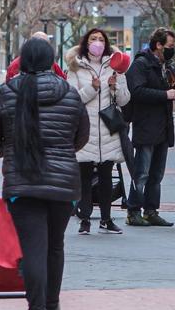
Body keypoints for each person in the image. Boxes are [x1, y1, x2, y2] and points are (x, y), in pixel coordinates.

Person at [0, 38, 89, 310]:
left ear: (23, 60)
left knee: (32, 249)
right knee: (55, 246)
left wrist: (8, 148)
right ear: (51, 61)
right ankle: (51, 304)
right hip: (64, 187)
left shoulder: (7, 93)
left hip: (23, 185)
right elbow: (81, 138)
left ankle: (37, 306)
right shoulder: (69, 93)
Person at [125, 27, 175, 227]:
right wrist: (164, 95)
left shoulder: (168, 67)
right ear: (158, 45)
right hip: (145, 125)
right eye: (169, 46)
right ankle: (133, 210)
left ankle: (151, 210)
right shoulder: (141, 64)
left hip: (163, 126)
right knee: (142, 172)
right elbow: (136, 91)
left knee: (157, 174)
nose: (172, 50)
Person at [66, 28, 130, 235]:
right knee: (84, 176)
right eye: (93, 39)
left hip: (107, 129)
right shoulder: (76, 67)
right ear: (86, 42)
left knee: (105, 176)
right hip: (85, 128)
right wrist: (92, 88)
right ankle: (84, 219)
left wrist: (114, 87)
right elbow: (72, 98)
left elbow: (125, 99)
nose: (97, 42)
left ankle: (106, 218)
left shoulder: (115, 66)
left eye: (101, 39)